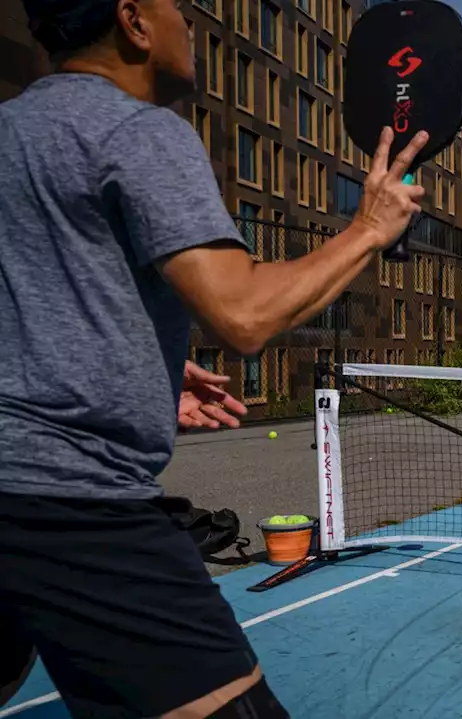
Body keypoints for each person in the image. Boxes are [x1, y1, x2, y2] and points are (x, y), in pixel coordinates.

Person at [0, 0, 430, 714]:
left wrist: (134, 376)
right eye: (177, 8)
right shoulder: (138, 131)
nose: (191, 25)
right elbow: (245, 315)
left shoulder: (11, 132)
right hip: (72, 502)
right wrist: (369, 227)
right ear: (135, 22)